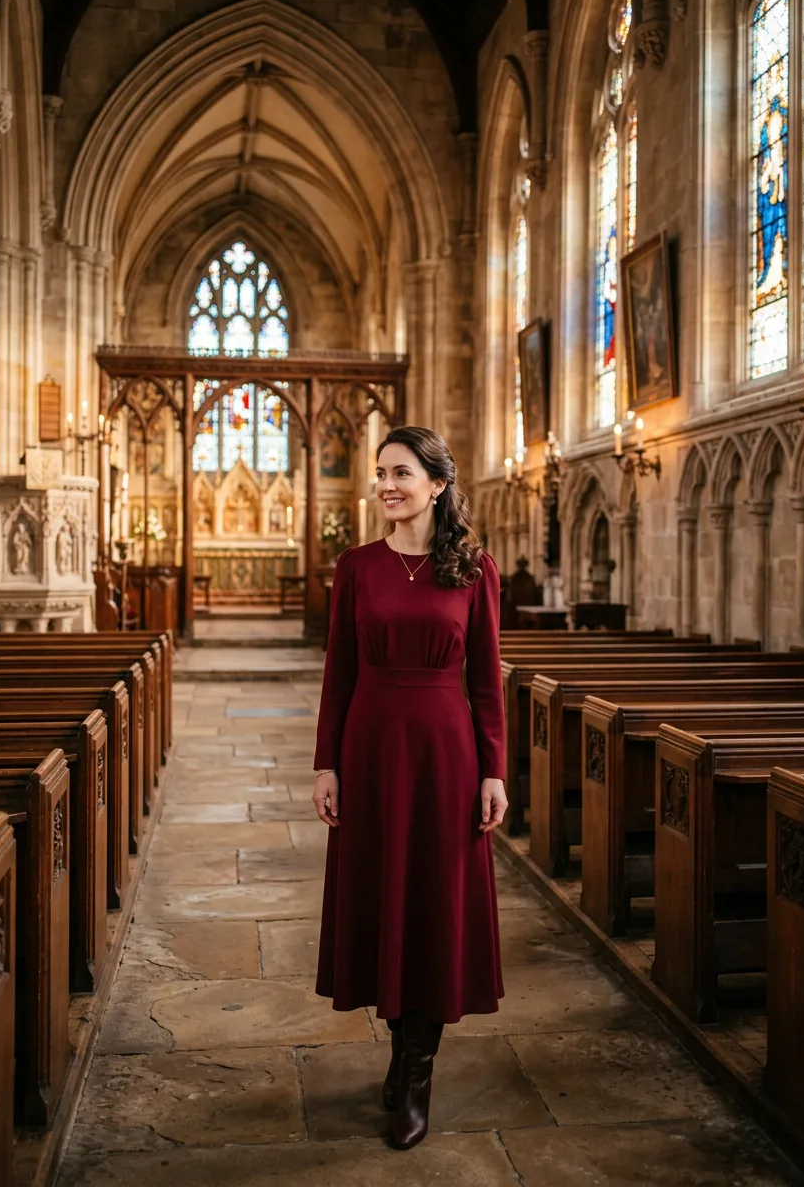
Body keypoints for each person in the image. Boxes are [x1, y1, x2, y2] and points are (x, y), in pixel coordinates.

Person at [312, 425, 508, 1151]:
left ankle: (417, 1072)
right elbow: (339, 672)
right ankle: (402, 1046)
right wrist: (325, 762)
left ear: (436, 483)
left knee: (433, 904)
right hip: (369, 749)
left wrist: (494, 770)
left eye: (400, 473)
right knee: (382, 898)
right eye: (380, 474)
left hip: (445, 754)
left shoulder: (474, 569)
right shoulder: (357, 567)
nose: (386, 485)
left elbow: (487, 683)